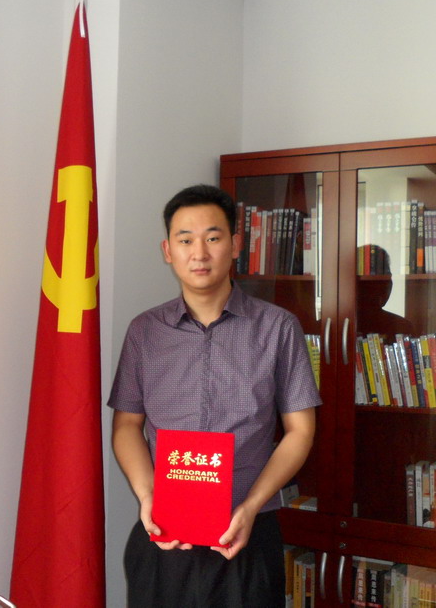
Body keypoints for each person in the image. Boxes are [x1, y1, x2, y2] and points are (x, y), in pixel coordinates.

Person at [108, 184, 322, 607]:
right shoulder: (145, 332)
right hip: (164, 536)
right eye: (185, 240)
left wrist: (251, 506)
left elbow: (300, 430)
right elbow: (127, 425)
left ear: (236, 245)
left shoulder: (277, 327)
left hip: (247, 532)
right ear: (168, 250)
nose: (199, 253)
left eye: (213, 237)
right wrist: (148, 497)